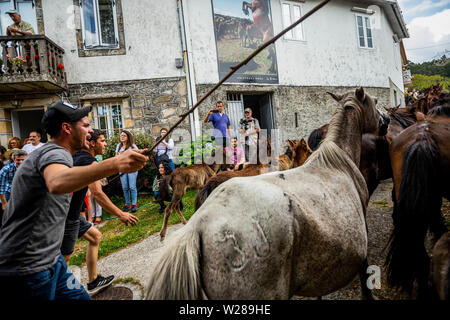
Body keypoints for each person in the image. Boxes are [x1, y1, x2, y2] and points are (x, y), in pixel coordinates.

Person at [0, 101, 148, 300]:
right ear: (67, 128)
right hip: (28, 268)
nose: (90, 131)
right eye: (86, 125)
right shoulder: (54, 152)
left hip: (53, 261)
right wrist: (116, 163)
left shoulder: (65, 156)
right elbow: (57, 182)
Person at [61, 129, 139, 295]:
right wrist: (121, 214)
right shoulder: (89, 161)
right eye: (102, 141)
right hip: (67, 217)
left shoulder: (78, 157)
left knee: (95, 236)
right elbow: (98, 194)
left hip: (70, 212)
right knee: (63, 260)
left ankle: (94, 280)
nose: (105, 144)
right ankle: (58, 292)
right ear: (92, 143)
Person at [115, 130, 139, 213]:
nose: (122, 137)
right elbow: (116, 157)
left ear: (128, 137)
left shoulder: (132, 146)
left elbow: (138, 156)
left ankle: (134, 204)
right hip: (122, 169)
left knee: (132, 187)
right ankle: (127, 204)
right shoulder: (118, 146)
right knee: (125, 187)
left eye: (124, 135)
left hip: (132, 169)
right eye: (121, 135)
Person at [0, 149, 27, 223]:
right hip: (9, 193)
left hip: (23, 193)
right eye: (18, 160)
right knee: (8, 217)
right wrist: (4, 203)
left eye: (23, 160)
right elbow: (1, 187)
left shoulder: (29, 168)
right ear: (14, 159)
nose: (21, 162)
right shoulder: (6, 169)